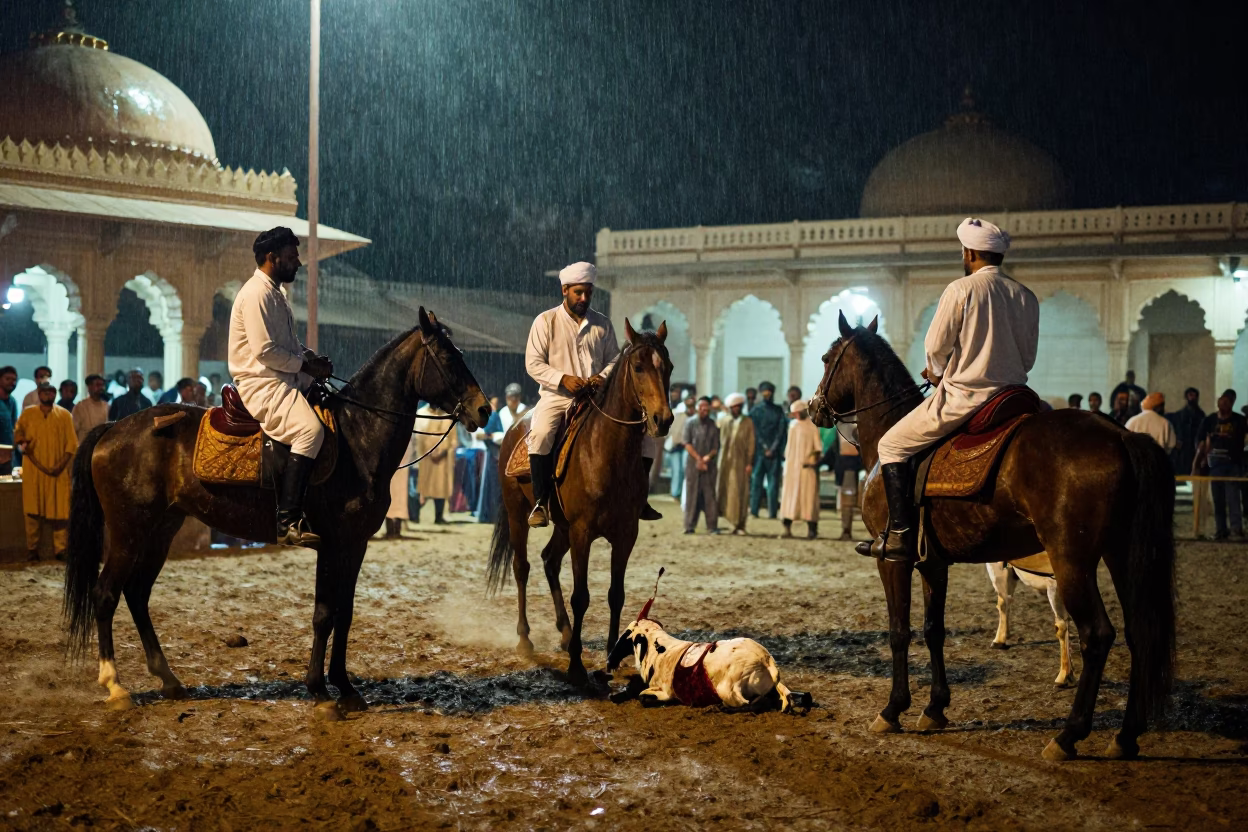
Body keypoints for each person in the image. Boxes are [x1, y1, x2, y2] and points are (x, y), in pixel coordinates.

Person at [862, 218, 1038, 562]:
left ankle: (900, 534)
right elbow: (1027, 358)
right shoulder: (1024, 296)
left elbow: (936, 345)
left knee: (891, 444)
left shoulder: (961, 290)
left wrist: (938, 373)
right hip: (1014, 396)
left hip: (966, 397)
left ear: (969, 253)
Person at [523, 260, 660, 527]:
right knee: (540, 434)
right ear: (565, 290)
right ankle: (541, 502)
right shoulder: (546, 321)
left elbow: (615, 361)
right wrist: (563, 379)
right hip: (557, 396)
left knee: (646, 440)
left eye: (588, 292)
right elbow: (533, 363)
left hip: (597, 398)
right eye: (578, 292)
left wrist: (602, 377)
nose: (584, 298)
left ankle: (640, 499)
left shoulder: (602, 324)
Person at [228, 226, 334, 548]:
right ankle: (287, 519)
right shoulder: (256, 293)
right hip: (262, 383)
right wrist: (305, 365)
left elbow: (287, 346)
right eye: (292, 256)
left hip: (283, 377)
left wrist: (310, 359)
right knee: (310, 432)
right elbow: (266, 352)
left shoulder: (275, 293)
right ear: (272, 258)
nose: (298, 263)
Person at [13, 381, 77, 560]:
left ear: (55, 393)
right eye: (45, 392)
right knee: (32, 511)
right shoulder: (28, 414)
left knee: (61, 512)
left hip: (58, 471)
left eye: (51, 392)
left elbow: (71, 444)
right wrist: (22, 444)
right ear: (39, 393)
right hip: (34, 470)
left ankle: (60, 549)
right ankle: (32, 550)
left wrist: (60, 465)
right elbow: (18, 434)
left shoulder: (64, 415)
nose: (48, 395)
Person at [1194, 390, 1247, 541]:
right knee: (1218, 498)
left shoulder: (1239, 421)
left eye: (1227, 402)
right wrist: (1200, 457)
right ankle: (1221, 530)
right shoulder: (1209, 420)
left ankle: (1236, 529)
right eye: (1221, 401)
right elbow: (1199, 439)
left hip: (1233, 462)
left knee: (1233, 497)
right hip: (1215, 464)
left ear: (1232, 403)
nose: (1223, 404)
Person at [475, 383, 528, 525]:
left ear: (519, 397)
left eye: (516, 397)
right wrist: (495, 438)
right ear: (506, 397)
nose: (513, 400)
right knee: (499, 486)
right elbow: (486, 434)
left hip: (521, 454)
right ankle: (497, 515)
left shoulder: (526, 412)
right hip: (501, 455)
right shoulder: (500, 414)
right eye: (511, 397)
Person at [780, 400, 822, 539]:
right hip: (792, 468)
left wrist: (813, 462)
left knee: (808, 498)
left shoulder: (812, 427)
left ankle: (811, 529)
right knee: (789, 497)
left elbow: (817, 448)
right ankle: (787, 528)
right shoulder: (792, 426)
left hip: (806, 468)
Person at [716, 392, 754, 535]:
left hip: (741, 462)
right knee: (725, 490)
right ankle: (729, 521)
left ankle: (740, 524)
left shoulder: (747, 422)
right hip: (725, 461)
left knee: (739, 491)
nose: (736, 409)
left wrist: (749, 462)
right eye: (734, 407)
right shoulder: (724, 421)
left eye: (739, 407)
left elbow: (751, 444)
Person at [748, 381, 787, 519]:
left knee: (766, 483)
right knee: (763, 483)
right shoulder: (774, 410)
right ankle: (765, 511)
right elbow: (755, 431)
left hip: (764, 452)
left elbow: (780, 431)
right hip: (765, 452)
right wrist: (771, 448)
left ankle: (758, 511)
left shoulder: (756, 410)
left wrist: (768, 448)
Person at [682, 396, 720, 534]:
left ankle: (712, 526)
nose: (704, 409)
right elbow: (687, 443)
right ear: (697, 408)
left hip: (709, 466)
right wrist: (698, 459)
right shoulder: (690, 423)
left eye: (706, 407)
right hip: (693, 466)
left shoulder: (713, 425)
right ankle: (689, 526)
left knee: (710, 496)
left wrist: (706, 459)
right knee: (692, 495)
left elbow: (716, 447)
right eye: (701, 407)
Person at [415, 402, 458, 524]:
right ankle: (415, 516)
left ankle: (439, 517)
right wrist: (429, 452)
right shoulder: (425, 415)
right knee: (424, 487)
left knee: (440, 489)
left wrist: (444, 451)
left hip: (443, 460)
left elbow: (453, 440)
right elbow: (422, 438)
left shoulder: (449, 418)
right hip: (428, 459)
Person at [385, 434, 418, 538]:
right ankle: (394, 529)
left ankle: (393, 529)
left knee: (395, 496)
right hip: (398, 467)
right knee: (396, 496)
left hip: (398, 467)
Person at [1167, 387, 1203, 484]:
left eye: (1194, 395)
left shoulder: (1201, 416)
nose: (1192, 398)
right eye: (1190, 395)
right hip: (1182, 452)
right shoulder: (1179, 415)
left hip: (1195, 451)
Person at [835, 427, 863, 541]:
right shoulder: (847, 431)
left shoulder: (847, 431)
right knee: (845, 503)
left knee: (847, 503)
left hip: (848, 472)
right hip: (847, 471)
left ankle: (846, 531)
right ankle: (846, 530)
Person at [666, 393, 696, 502]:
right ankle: (675, 492)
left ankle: (682, 493)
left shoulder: (694, 417)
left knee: (684, 469)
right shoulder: (677, 413)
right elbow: (670, 430)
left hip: (686, 446)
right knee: (677, 470)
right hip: (675, 446)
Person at [72, 374, 110, 442]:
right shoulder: (80, 407)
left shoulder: (107, 406)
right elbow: (73, 431)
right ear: (89, 387)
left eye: (102, 385)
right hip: (85, 448)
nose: (101, 388)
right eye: (98, 385)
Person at [0, 365, 17, 475]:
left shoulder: (12, 402)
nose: (11, 382)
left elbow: (14, 427)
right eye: (7, 379)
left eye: (14, 380)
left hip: (7, 457)